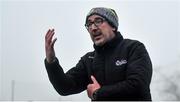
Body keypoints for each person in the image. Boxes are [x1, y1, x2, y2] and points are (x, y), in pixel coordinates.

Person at [44, 7, 153, 101]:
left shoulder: (133, 48)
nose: (93, 28)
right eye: (89, 24)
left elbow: (138, 85)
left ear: (113, 26)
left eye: (98, 21)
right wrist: (51, 62)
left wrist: (99, 93)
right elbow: (64, 87)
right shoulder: (89, 60)